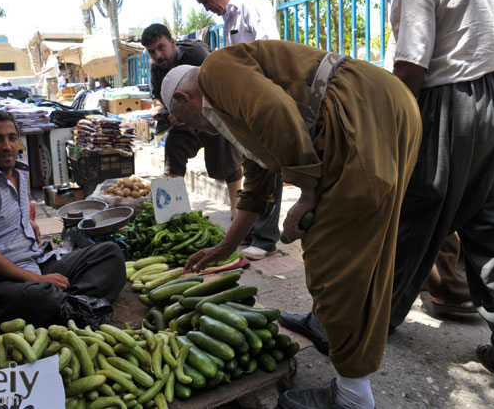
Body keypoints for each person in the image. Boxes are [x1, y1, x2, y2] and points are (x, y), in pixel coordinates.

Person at [162, 40, 421, 409]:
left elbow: (275, 110)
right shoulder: (233, 108)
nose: (198, 131)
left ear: (186, 97)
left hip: (360, 112)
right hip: (381, 106)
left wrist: (307, 194)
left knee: (332, 255)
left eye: (188, 122)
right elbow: (257, 186)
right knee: (361, 248)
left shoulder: (216, 71)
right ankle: (324, 325)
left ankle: (352, 396)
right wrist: (225, 247)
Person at [389, 0, 494, 396]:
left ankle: (370, 323)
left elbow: (410, 68)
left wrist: (392, 134)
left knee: (414, 216)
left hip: (447, 105)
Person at [0, 111, 126, 328]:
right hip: (1, 283)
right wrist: (37, 280)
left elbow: (4, 217)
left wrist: (25, 224)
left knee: (110, 254)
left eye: (11, 137)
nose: (7, 146)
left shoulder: (17, 172)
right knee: (44, 296)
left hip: (36, 263)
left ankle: (68, 308)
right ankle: (72, 307)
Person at [189, 0, 282, 260]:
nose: (206, 8)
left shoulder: (254, 5)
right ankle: (253, 231)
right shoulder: (228, 17)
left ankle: (266, 238)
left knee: (270, 164)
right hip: (246, 101)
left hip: (265, 97)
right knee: (253, 163)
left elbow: (270, 52)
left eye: (205, 0)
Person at [141, 23, 243, 219]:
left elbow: (217, 85)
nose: (158, 55)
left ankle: (236, 208)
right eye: (152, 52)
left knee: (226, 161)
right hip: (182, 118)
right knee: (173, 148)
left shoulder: (196, 53)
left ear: (172, 42)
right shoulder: (156, 69)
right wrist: (163, 110)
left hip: (211, 112)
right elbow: (157, 97)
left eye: (161, 47)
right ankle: (172, 211)